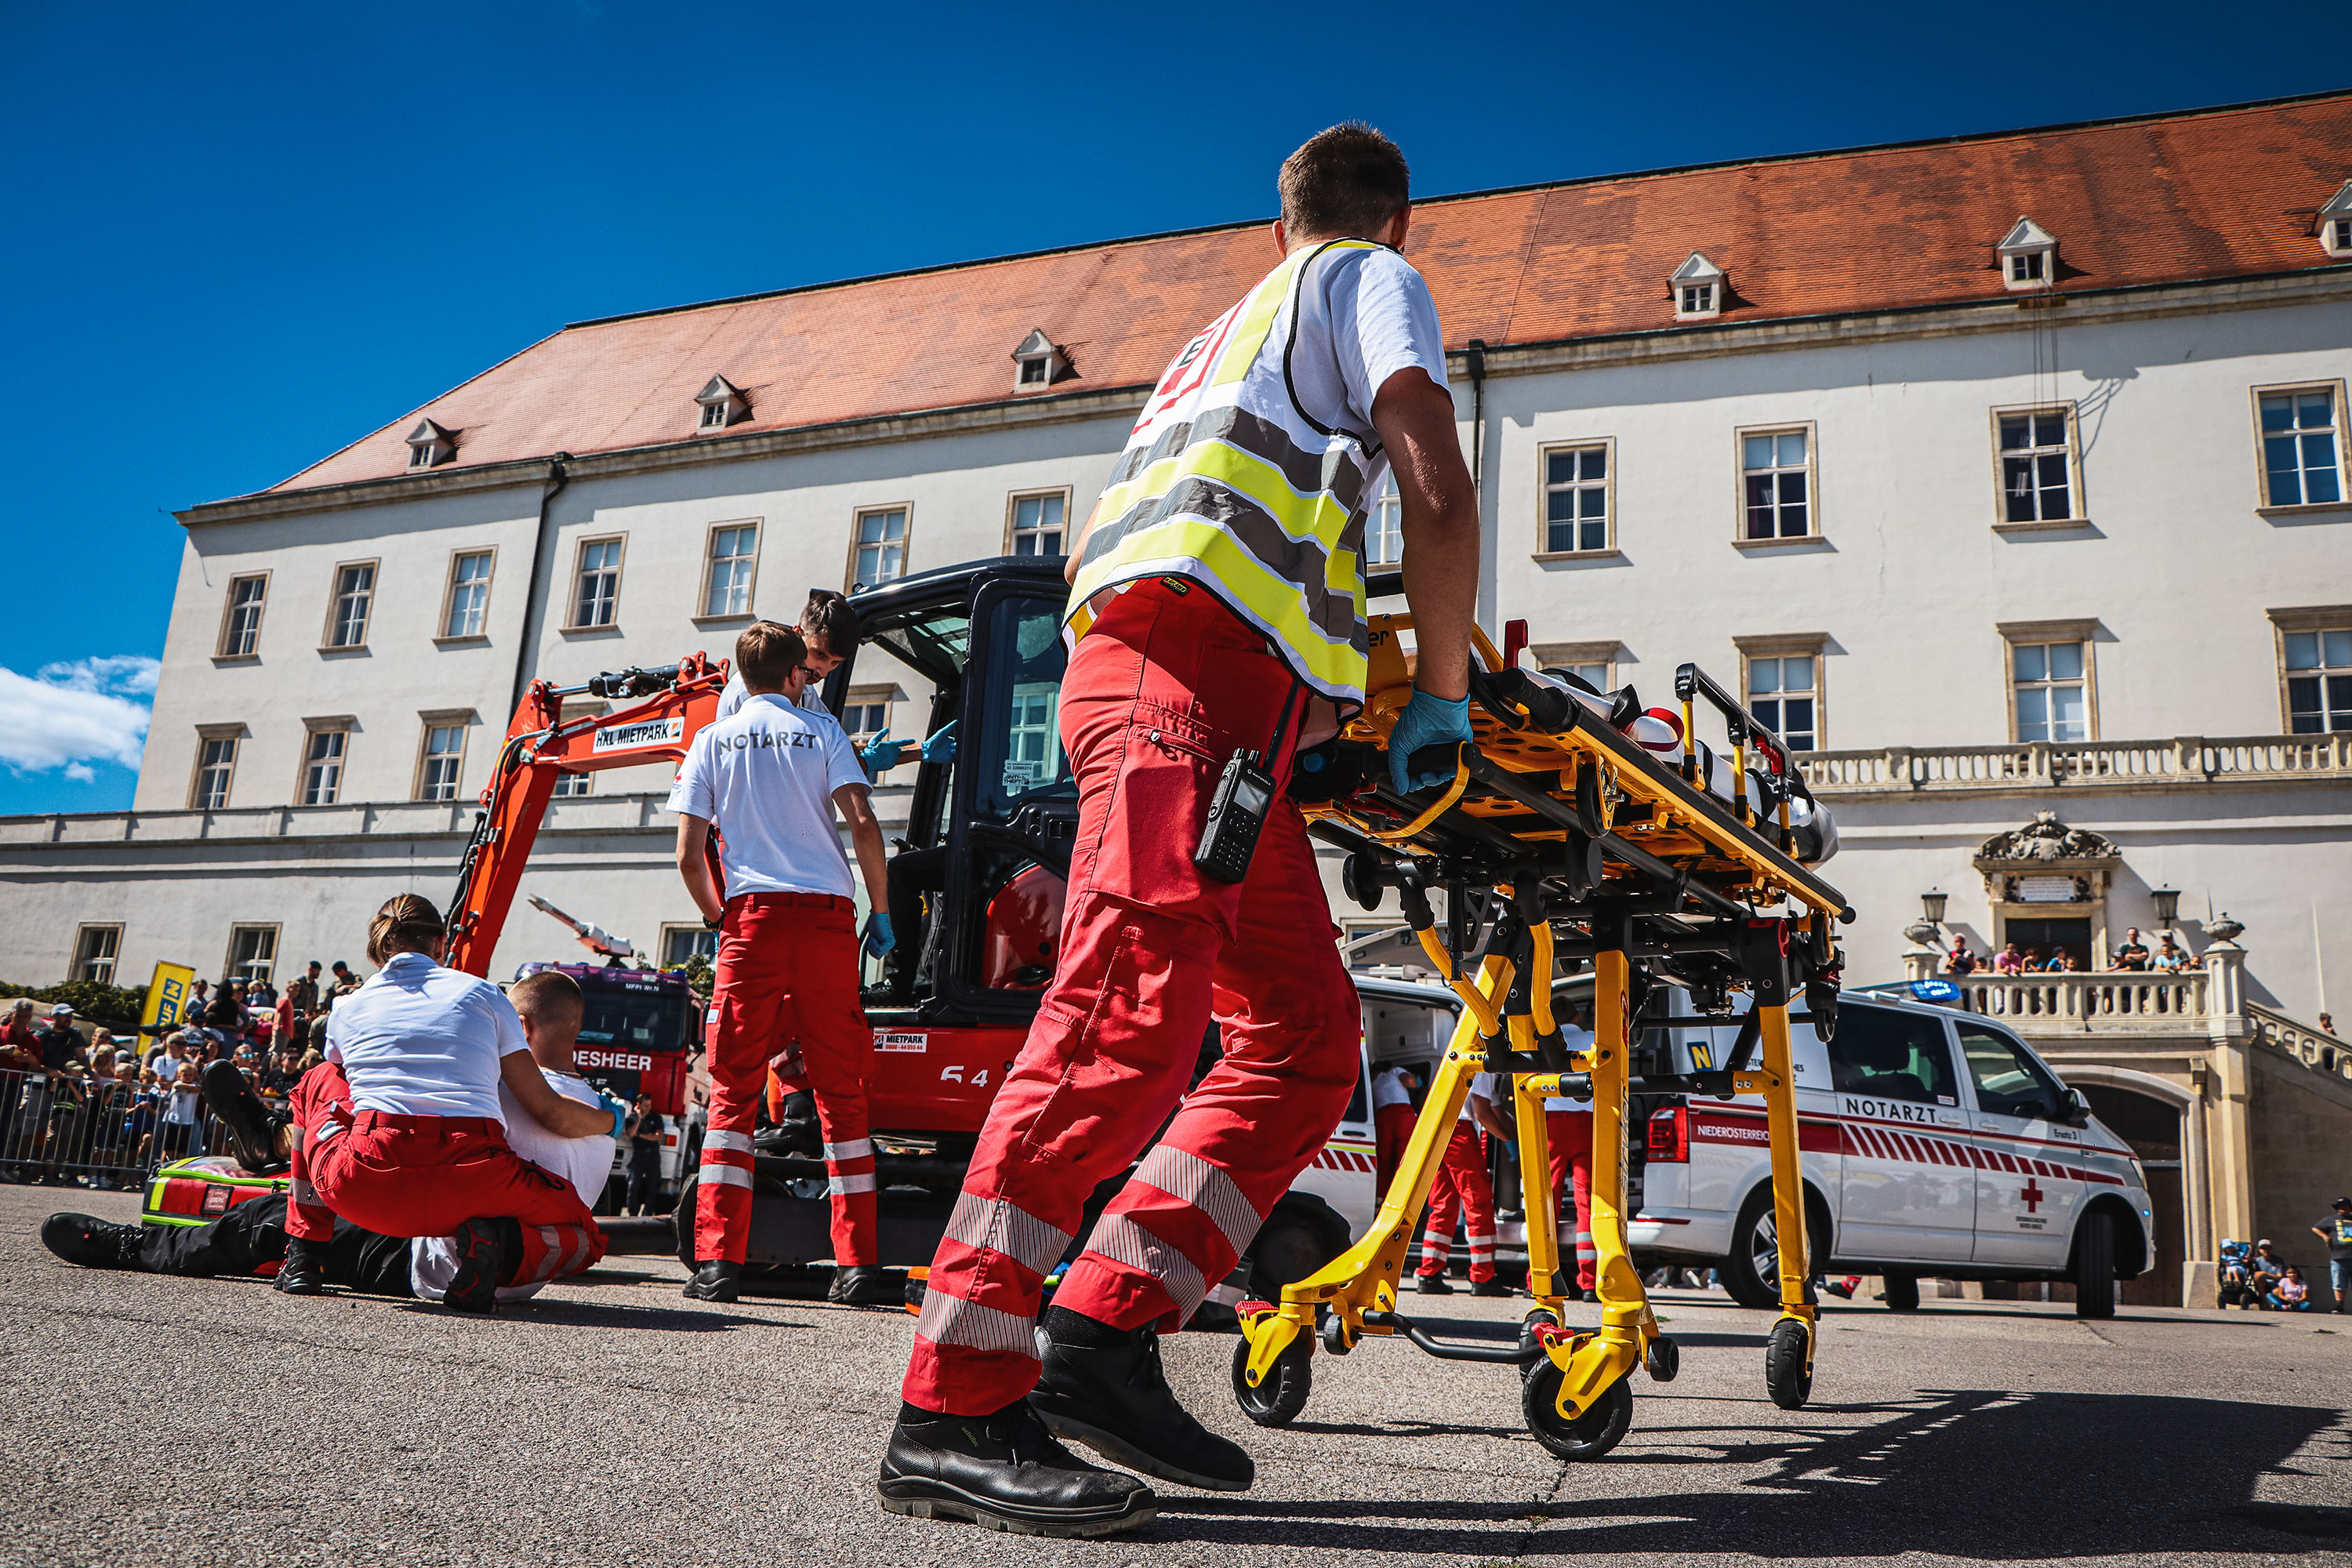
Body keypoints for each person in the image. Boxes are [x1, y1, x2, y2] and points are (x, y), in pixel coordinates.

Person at [880, 123, 1480, 1537]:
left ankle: (1100, 1330)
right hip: (1180, 699)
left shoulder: (1216, 343)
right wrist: (1441, 691)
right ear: (1391, 226)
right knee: (1120, 1020)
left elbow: (1170, 551)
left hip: (1210, 709)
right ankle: (950, 1406)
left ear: (1275, 225)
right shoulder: (1368, 279)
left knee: (1304, 1036)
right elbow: (1439, 487)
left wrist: (1313, 718)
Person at [42, 970, 615, 1305]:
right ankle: (270, 1142)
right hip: (524, 1275)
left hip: (428, 1257)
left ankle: (138, 1247)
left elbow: (380, 1127)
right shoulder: (599, 1118)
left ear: (524, 1028)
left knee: (265, 1220)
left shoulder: (486, 1087)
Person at [198, 894, 620, 1310]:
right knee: (585, 1233)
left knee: (316, 1081)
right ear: (441, 943)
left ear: (378, 947)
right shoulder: (486, 994)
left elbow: (344, 1089)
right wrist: (612, 1120)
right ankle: (501, 1245)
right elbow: (548, 1110)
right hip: (475, 1179)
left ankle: (304, 1252)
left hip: (368, 1181)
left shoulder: (347, 1007)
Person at [669, 620, 895, 1308]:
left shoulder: (711, 740)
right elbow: (861, 823)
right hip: (825, 922)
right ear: (798, 673)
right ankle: (855, 1267)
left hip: (752, 925)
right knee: (842, 1095)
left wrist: (718, 917)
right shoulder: (823, 733)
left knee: (735, 1092)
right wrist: (878, 912)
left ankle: (717, 1265)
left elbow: (688, 852)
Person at [1418, 1073, 1505, 1297]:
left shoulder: (1461, 1052)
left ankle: (1429, 1275)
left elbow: (1495, 1108)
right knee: (1478, 1202)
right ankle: (1483, 1276)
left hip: (1435, 1129)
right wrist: (1512, 1141)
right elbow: (1483, 1113)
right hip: (1459, 1130)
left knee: (1443, 1205)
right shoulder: (1484, 1063)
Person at [1369, 1062, 1420, 1200]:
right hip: (1403, 1115)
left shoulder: (1372, 1082)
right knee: (1404, 1158)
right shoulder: (1396, 1071)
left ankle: (1381, 1197)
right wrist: (1418, 1081)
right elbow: (1411, 1082)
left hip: (1383, 1117)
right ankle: (1401, 1196)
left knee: (1384, 1159)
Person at [623, 1093, 665, 1216]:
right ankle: (632, 1212)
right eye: (645, 1105)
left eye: (649, 1105)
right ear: (639, 1105)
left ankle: (648, 1212)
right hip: (639, 1154)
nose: (648, 1108)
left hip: (653, 1155)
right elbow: (631, 1133)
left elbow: (658, 1137)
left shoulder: (656, 1118)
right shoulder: (632, 1118)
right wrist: (639, 1117)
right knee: (633, 1185)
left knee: (653, 1185)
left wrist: (641, 1136)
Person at [2314, 1196, 2352, 1313]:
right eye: (2340, 1207)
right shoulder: (2331, 1219)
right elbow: (2315, 1228)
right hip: (2338, 1256)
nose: (2343, 1208)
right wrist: (2325, 1237)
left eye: (2345, 1206)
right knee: (2339, 1282)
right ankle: (2339, 1305)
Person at [2246, 1238, 2287, 1305]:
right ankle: (2263, 1301)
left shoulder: (2279, 1260)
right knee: (2259, 1276)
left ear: (2272, 1249)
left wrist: (2266, 1274)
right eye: (2263, 1248)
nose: (2266, 1250)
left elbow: (2279, 1277)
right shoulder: (2257, 1261)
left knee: (2277, 1293)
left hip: (2275, 1285)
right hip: (2262, 1285)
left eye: (2268, 1248)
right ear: (2260, 1250)